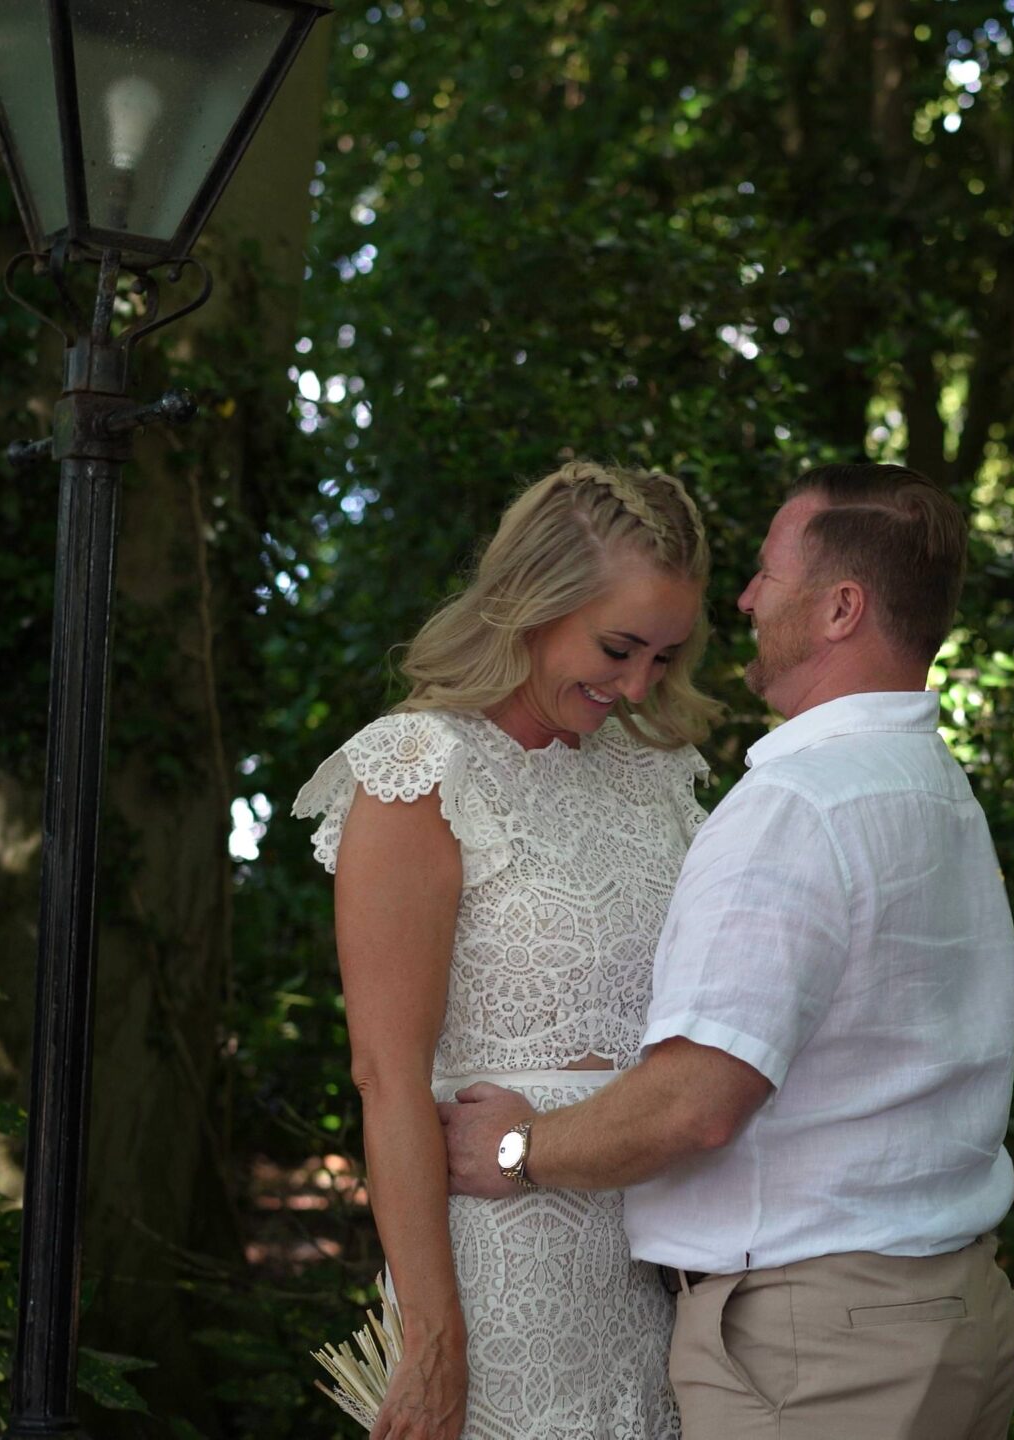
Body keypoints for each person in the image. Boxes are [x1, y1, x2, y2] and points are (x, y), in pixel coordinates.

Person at [443, 462, 1014, 1440]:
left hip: (824, 1352)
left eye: (767, 572)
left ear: (840, 608)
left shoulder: (798, 803)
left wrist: (520, 1148)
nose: (747, 598)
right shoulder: (929, 783)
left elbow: (698, 1103)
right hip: (949, 1312)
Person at [292, 461, 721, 1439]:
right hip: (500, 1280)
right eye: (617, 647)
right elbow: (386, 1077)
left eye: (664, 657)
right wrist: (434, 1341)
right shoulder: (418, 771)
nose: (637, 685)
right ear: (532, 600)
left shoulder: (654, 774)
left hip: (653, 1270)